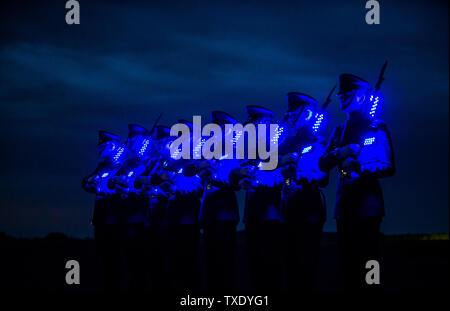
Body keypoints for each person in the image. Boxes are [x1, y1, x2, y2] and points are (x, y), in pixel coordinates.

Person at [319, 73, 395, 290]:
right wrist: (341, 153)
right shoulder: (339, 131)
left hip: (368, 206)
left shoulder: (377, 127)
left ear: (362, 97)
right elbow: (323, 164)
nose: (342, 97)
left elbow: (388, 166)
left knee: (370, 262)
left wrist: (360, 167)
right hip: (345, 206)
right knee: (348, 264)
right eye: (341, 94)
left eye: (348, 94)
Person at [183, 111, 241, 292]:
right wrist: (200, 165)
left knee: (225, 261)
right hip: (208, 211)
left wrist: (211, 175)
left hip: (225, 210)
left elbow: (233, 182)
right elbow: (188, 170)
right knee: (211, 260)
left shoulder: (233, 153)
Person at [230, 105, 284, 292]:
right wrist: (243, 177)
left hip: (270, 215)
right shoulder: (251, 152)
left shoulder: (277, 148)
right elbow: (235, 175)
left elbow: (277, 177)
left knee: (270, 265)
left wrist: (255, 177)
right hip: (253, 215)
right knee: (254, 265)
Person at [278, 92, 329, 291]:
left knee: (306, 264)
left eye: (293, 110)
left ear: (306, 114)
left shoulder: (319, 142)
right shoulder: (288, 142)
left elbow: (322, 178)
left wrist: (297, 172)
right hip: (288, 208)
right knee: (289, 264)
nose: (289, 114)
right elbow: (264, 161)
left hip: (309, 208)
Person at [82, 130, 127, 291]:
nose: (99, 148)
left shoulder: (124, 163)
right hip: (100, 217)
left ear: (113, 145)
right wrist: (89, 182)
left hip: (115, 217)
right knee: (103, 257)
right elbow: (88, 182)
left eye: (103, 145)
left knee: (115, 258)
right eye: (99, 145)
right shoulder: (102, 165)